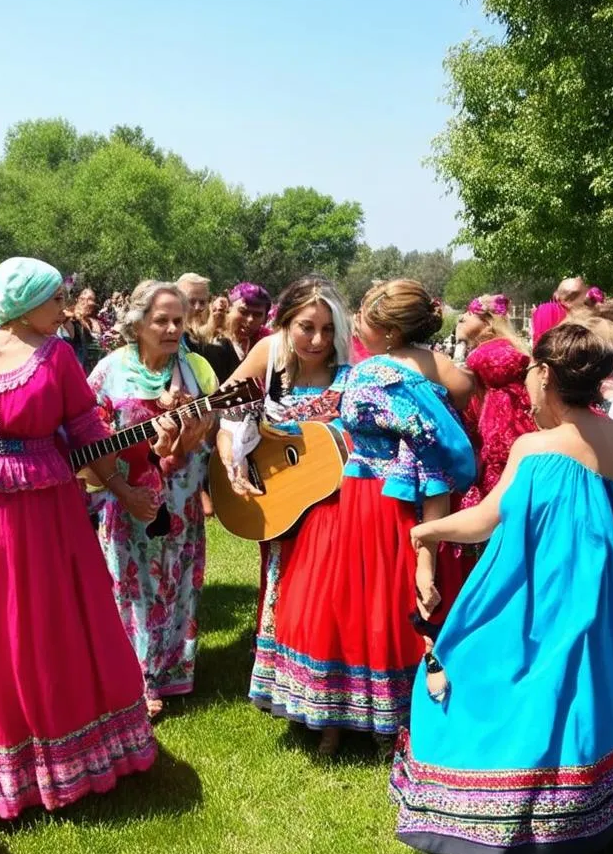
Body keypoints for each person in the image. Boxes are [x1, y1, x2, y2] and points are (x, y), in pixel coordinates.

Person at [390, 323, 613, 854]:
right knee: (583, 690)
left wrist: (427, 532)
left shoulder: (536, 446)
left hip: (551, 593)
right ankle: (592, 806)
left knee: (498, 673)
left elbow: (486, 520)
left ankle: (501, 816)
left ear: (544, 375)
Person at [0, 257, 159, 819]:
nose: (61, 309)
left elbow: (88, 434)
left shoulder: (54, 355)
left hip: (39, 508)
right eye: (53, 299)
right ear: (26, 303)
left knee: (43, 619)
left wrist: (124, 486)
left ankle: (54, 751)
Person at [270, 280, 475, 755]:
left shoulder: (369, 374)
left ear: (381, 327)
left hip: (358, 496)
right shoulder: (436, 369)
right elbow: (458, 406)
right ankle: (392, 723)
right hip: (407, 501)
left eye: (361, 313)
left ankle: (333, 720)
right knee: (390, 600)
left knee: (341, 600)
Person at [214, 277, 352, 732]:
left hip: (336, 505)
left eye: (328, 329)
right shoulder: (268, 356)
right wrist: (232, 463)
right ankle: (286, 688)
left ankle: (333, 698)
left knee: (331, 596)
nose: (318, 340)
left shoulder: (354, 366)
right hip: (277, 498)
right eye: (306, 327)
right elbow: (226, 414)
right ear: (285, 324)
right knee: (283, 589)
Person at [88, 281, 217, 717]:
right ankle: (137, 678)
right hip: (127, 498)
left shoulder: (196, 368)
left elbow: (216, 429)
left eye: (179, 320)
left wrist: (199, 431)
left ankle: (174, 671)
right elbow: (89, 434)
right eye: (161, 319)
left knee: (178, 581)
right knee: (132, 586)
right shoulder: (109, 370)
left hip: (181, 499)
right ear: (138, 321)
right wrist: (121, 488)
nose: (171, 328)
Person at [454, 295, 536, 509]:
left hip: (500, 431)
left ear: (488, 322)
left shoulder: (489, 353)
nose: (461, 318)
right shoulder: (502, 347)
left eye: (469, 315)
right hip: (507, 427)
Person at [196, 282, 271, 381]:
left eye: (257, 315)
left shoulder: (269, 346)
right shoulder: (205, 341)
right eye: (243, 312)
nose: (250, 319)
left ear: (265, 319)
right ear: (229, 309)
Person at [59, 287, 106, 374]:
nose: (85, 302)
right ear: (77, 300)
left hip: (96, 373)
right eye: (82, 299)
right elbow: (61, 317)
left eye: (90, 299)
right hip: (79, 374)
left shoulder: (96, 322)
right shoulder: (72, 321)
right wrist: (74, 315)